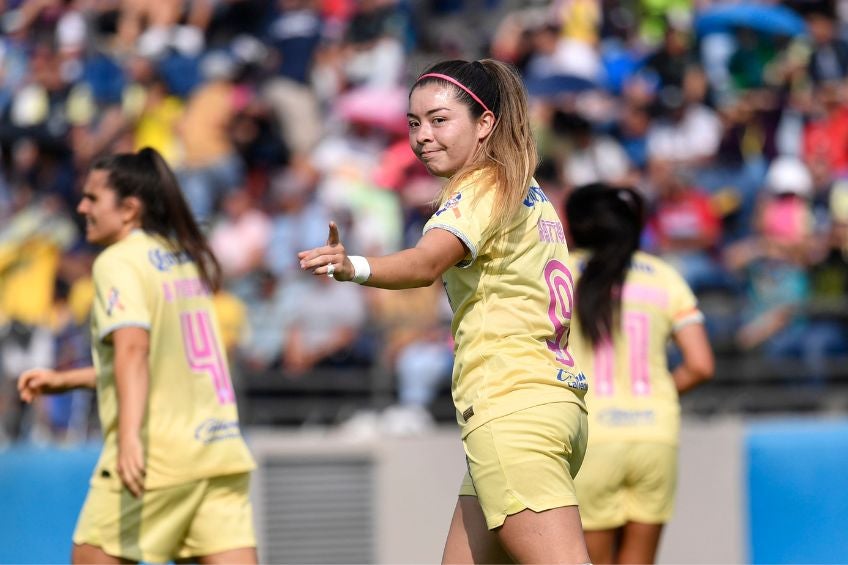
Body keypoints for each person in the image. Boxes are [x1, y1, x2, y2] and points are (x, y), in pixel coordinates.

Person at [299, 59, 591, 563]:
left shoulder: (482, 186)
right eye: (413, 123)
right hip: (550, 402)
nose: (422, 136)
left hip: (511, 407)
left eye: (438, 120)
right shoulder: (531, 192)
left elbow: (426, 262)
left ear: (484, 124)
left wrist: (356, 267)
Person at [17, 147, 257, 564]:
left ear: (128, 209)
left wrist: (129, 439)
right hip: (218, 453)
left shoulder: (118, 261)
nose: (82, 207)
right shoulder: (183, 258)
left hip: (156, 454)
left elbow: (133, 349)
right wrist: (66, 380)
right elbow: (162, 365)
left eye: (92, 198)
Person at [564, 184, 714, 565]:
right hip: (655, 433)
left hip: (591, 436)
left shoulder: (560, 274)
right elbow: (700, 364)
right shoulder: (665, 276)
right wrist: (660, 393)